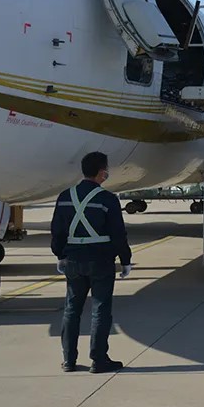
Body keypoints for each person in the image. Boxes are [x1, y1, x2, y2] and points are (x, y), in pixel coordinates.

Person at [51, 152, 132, 373]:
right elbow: (118, 235)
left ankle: (69, 360)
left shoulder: (65, 197)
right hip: (100, 261)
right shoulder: (107, 199)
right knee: (100, 310)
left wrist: (59, 255)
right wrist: (125, 260)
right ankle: (99, 359)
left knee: (71, 310)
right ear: (102, 172)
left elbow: (57, 231)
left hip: (73, 261)